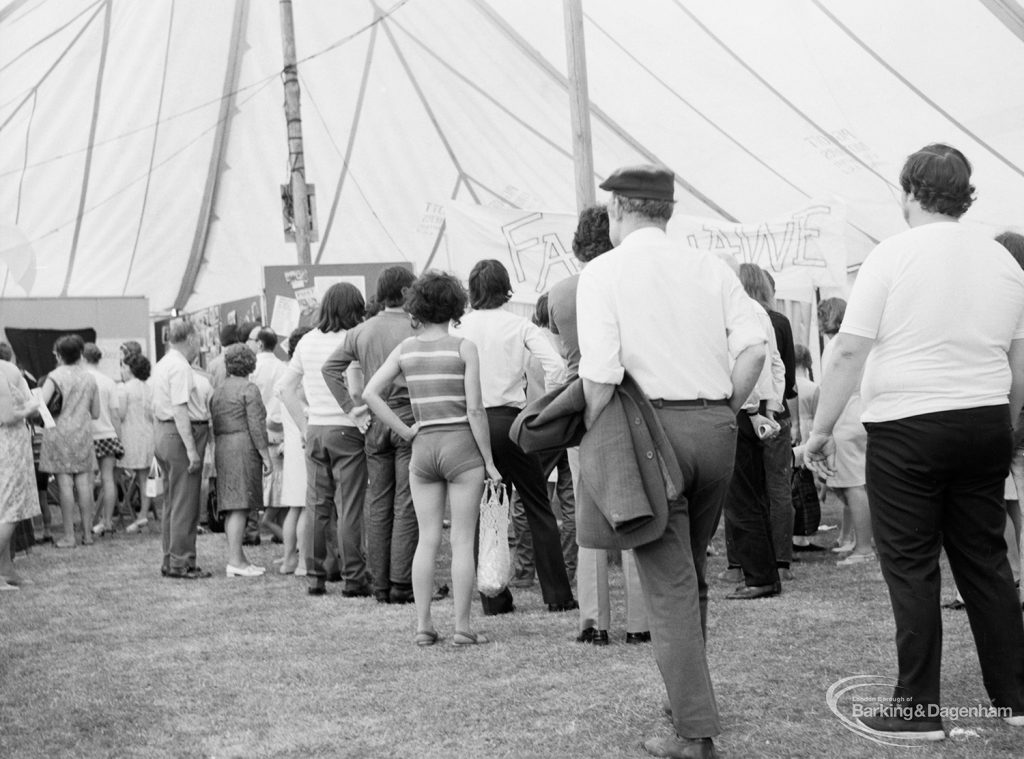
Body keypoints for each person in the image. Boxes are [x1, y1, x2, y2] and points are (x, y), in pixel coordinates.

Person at [806, 144, 1024, 740]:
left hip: (909, 425)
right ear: (964, 195)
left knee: (910, 565)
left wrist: (820, 430)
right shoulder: (1005, 263)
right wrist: (1004, 427)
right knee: (985, 561)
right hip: (983, 419)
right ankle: (1014, 694)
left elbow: (849, 349)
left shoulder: (892, 254)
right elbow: (1017, 363)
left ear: (908, 192)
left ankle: (917, 709)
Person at [577, 164, 766, 759]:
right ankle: (686, 704)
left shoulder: (601, 272)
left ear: (616, 213)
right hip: (714, 426)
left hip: (648, 432)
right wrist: (725, 405)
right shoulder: (710, 267)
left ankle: (695, 735)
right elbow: (755, 347)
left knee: (671, 587)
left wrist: (590, 433)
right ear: (667, 211)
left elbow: (601, 375)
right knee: (689, 576)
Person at [361, 271, 501, 646]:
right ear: (455, 306)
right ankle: (462, 627)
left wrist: (404, 431)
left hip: (422, 448)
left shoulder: (406, 349)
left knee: (426, 540)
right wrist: (488, 461)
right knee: (461, 540)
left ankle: (423, 626)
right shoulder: (463, 348)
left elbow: (371, 393)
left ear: (418, 306)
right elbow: (475, 410)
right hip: (461, 448)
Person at [451, 259, 576, 615]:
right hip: (512, 421)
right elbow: (557, 368)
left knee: (488, 508)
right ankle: (557, 595)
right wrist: (544, 409)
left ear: (473, 290)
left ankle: (493, 597)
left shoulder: (461, 328)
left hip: (473, 422)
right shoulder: (520, 325)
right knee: (539, 508)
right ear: (505, 287)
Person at [548, 206, 648, 645]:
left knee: (587, 513)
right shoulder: (628, 282)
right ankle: (641, 620)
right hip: (626, 401)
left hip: (580, 402)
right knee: (634, 505)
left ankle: (593, 621)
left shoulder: (560, 292)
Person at [322, 265, 420, 605]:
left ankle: (380, 584)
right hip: (408, 417)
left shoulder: (361, 331)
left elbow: (329, 369)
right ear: (408, 292)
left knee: (378, 502)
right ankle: (401, 583)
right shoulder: (416, 326)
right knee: (406, 503)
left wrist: (352, 408)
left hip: (375, 421)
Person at [279, 283, 371, 597]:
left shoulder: (306, 340)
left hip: (316, 430)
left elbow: (285, 389)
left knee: (317, 506)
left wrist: (304, 426)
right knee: (349, 508)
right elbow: (357, 390)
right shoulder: (353, 340)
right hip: (347, 430)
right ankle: (354, 578)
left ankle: (315, 577)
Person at [720, 263, 786, 599]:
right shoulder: (759, 313)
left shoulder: (735, 314)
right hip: (757, 411)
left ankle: (758, 577)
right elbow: (775, 363)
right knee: (756, 496)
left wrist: (749, 410)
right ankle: (763, 572)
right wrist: (769, 411)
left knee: (741, 499)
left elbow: (742, 364)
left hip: (741, 409)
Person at [151, 319, 212, 580]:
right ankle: (181, 562)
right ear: (190, 339)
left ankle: (171, 558)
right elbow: (180, 408)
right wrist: (192, 450)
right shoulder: (180, 367)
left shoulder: (163, 363)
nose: (200, 344)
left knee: (173, 503)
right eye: (199, 338)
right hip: (180, 435)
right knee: (186, 503)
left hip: (165, 434)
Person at [815, 297, 873, 566]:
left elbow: (830, 388)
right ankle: (852, 539)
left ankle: (862, 547)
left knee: (852, 486)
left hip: (845, 418)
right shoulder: (856, 343)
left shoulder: (836, 347)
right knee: (854, 484)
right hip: (858, 414)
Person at [210, 344, 272, 577]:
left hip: (223, 447)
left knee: (231, 504)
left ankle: (238, 558)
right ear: (251, 363)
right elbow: (256, 425)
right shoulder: (249, 389)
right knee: (240, 505)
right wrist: (266, 456)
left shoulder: (218, 389)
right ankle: (236, 561)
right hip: (242, 447)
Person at [39, 335, 100, 548]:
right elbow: (96, 412)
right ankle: (88, 534)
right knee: (85, 484)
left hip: (59, 433)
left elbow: (41, 403)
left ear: (59, 354)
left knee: (65, 484)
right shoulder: (90, 378)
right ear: (80, 354)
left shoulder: (55, 376)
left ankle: (69, 535)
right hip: (83, 433)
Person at [0, 353, 41, 589]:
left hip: (10, 445)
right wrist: (30, 407)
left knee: (5, 510)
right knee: (10, 511)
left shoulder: (7, 371)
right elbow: (6, 416)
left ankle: (5, 570)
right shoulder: (5, 371)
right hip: (8, 446)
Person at [275, 326, 313, 575]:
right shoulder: (303, 379)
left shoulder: (285, 378)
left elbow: (272, 418)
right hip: (303, 442)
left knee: (294, 507)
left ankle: (289, 558)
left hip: (290, 445)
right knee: (306, 507)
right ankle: (301, 563)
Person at [247, 326, 288, 545]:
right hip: (281, 431)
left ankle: (268, 528)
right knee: (280, 485)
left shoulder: (253, 369)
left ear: (260, 344)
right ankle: (280, 530)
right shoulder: (283, 367)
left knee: (263, 483)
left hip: (259, 429)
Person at [83, 343, 124, 536]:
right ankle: (107, 521)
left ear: (82, 358)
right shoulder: (109, 381)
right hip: (108, 434)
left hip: (89, 434)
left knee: (88, 481)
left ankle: (88, 522)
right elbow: (115, 414)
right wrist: (119, 438)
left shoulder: (83, 379)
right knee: (108, 479)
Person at [118, 353, 157, 533]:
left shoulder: (125, 388)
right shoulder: (149, 388)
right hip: (149, 433)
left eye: (124, 367)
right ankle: (143, 513)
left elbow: (121, 414)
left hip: (131, 434)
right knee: (146, 477)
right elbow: (151, 414)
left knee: (132, 475)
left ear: (131, 369)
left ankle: (140, 515)